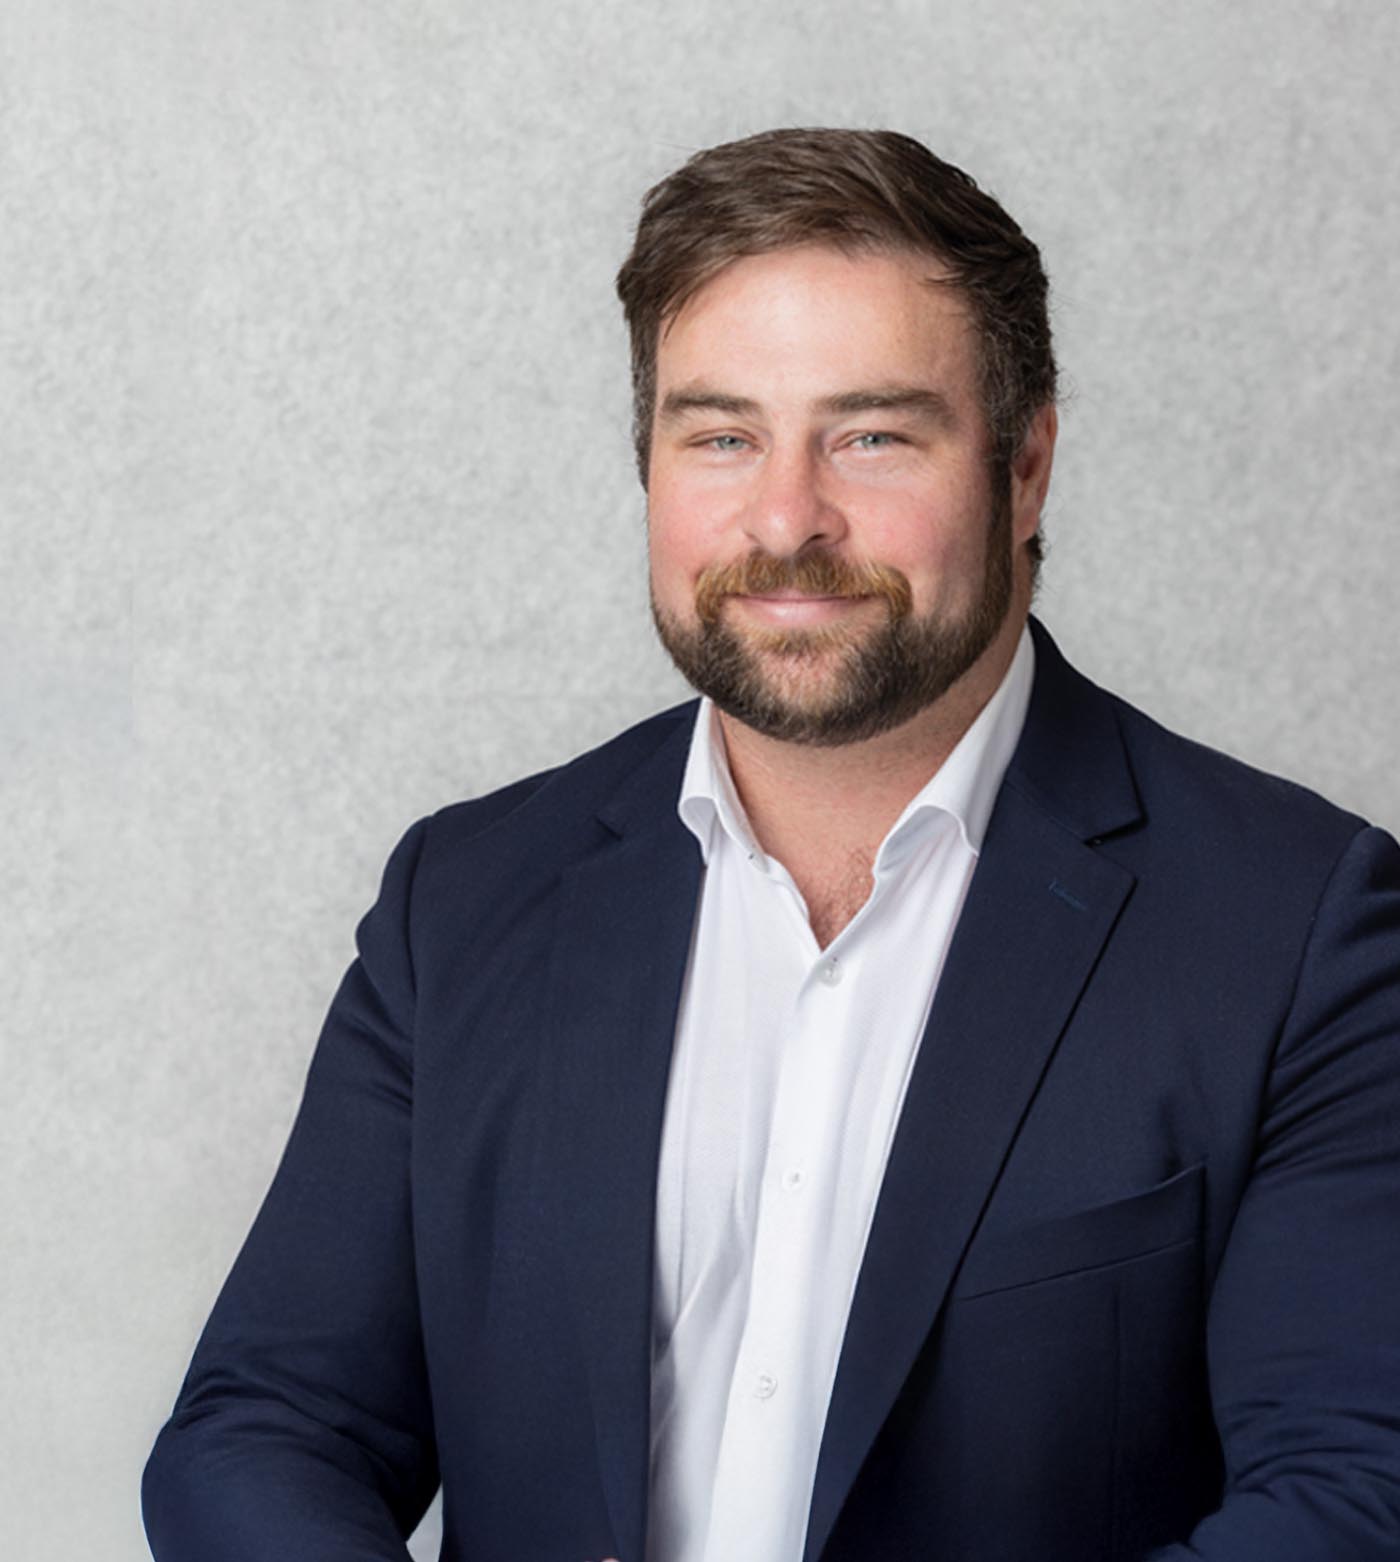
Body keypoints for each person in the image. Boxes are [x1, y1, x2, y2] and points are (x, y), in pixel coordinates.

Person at [142, 128, 1400, 1562]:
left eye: (873, 435)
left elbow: (1352, 1496)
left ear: (1027, 466)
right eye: (722, 435)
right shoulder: (465, 900)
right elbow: (264, 1429)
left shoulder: (1297, 932)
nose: (788, 519)